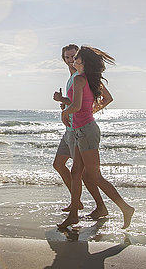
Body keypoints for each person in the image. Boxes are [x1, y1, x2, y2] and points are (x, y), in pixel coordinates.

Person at [57, 46, 135, 229]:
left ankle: (126, 208)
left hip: (85, 131)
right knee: (76, 173)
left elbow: (76, 106)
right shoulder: (86, 79)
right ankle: (74, 215)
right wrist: (85, 111)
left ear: (82, 62)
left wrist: (65, 113)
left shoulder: (79, 80)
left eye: (76, 57)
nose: (72, 60)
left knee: (95, 176)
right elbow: (83, 105)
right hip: (80, 130)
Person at [52, 44, 105, 217]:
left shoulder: (83, 76)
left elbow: (102, 99)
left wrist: (87, 111)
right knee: (59, 164)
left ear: (78, 57)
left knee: (83, 174)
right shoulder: (72, 76)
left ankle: (99, 206)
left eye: (73, 57)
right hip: (69, 129)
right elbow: (76, 102)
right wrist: (64, 101)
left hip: (78, 129)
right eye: (67, 58)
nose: (70, 61)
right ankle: (77, 202)